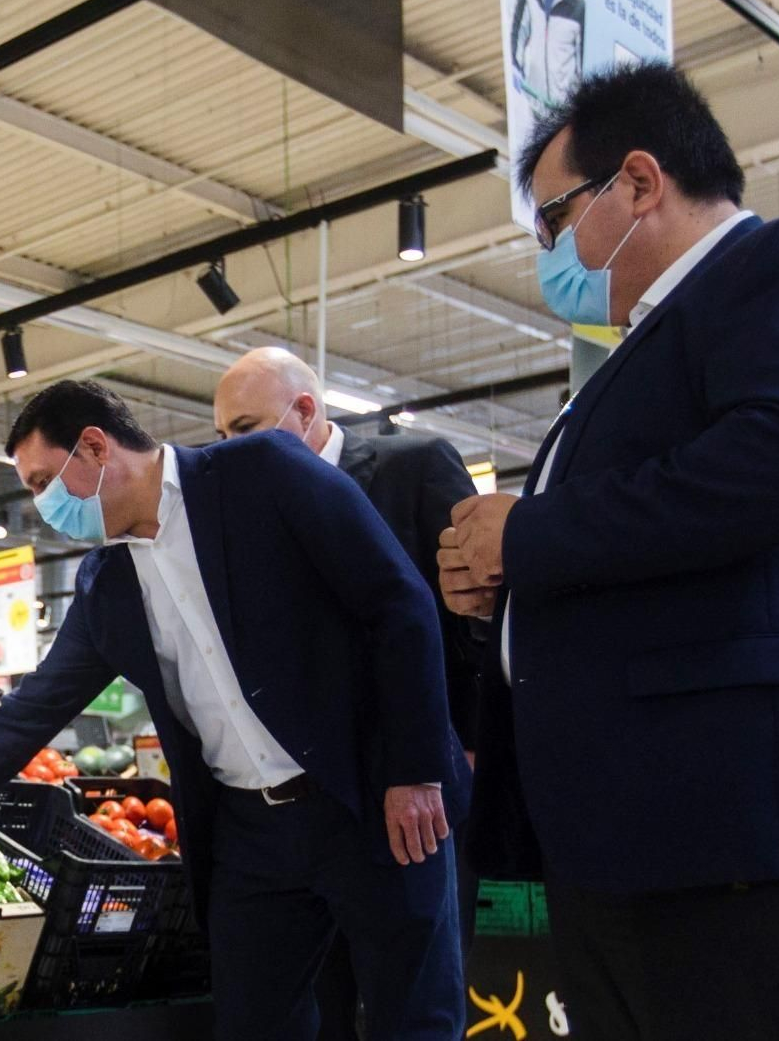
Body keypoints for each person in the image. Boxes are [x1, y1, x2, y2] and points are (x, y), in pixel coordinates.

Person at [0, 379, 472, 1041]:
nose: (41, 504)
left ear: (95, 446)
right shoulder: (106, 585)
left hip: (370, 797)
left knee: (414, 1018)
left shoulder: (262, 471)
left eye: (44, 480)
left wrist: (414, 770)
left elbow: (398, 603)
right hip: (251, 834)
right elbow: (27, 713)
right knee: (254, 1024)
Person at [438, 62, 779, 1040]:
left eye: (553, 219)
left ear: (641, 182)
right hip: (619, 841)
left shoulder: (777, 266)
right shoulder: (635, 357)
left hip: (719, 831)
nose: (549, 254)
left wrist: (528, 534)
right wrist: (511, 589)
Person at [214, 348, 486, 1041]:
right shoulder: (255, 509)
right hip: (319, 802)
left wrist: (461, 745)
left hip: (415, 784)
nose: (230, 451)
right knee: (328, 1000)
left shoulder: (413, 467)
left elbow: (471, 615)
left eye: (244, 429)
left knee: (417, 1000)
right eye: (221, 437)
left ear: (305, 410)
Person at [510, 0, 584, 109]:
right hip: (531, 98)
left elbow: (581, 67)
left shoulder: (578, 5)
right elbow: (519, 29)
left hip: (562, 109)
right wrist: (516, 67)